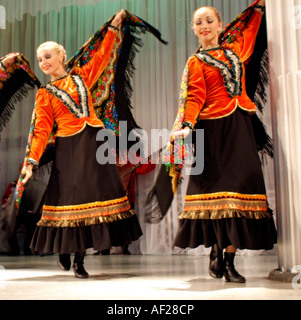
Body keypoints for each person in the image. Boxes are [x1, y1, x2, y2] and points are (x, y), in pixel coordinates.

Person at [18, 10, 142, 279]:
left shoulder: (82, 76)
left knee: (95, 198)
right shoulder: (45, 94)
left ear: (62, 55)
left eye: (48, 56)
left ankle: (79, 257)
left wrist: (113, 27)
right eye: (40, 60)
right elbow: (41, 131)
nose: (44, 62)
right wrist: (30, 162)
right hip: (70, 149)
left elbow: (104, 55)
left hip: (95, 143)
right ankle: (71, 254)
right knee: (72, 201)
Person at [164, 0, 276, 283]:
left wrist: (259, 8)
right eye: (198, 22)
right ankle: (217, 250)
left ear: (220, 25)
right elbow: (194, 96)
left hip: (239, 127)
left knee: (240, 193)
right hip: (211, 131)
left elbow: (250, 32)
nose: (204, 26)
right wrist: (187, 124)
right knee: (218, 193)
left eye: (209, 21)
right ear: (193, 29)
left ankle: (228, 258)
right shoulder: (196, 62)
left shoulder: (235, 51)